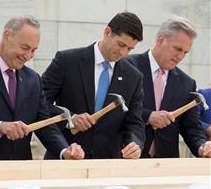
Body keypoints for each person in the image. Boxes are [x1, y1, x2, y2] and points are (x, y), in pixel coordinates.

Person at [0, 15, 84, 160]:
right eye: (25, 48)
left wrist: (64, 151)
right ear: (7, 36)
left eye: (33, 50)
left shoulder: (33, 79)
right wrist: (0, 127)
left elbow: (44, 124)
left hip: (21, 171)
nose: (28, 55)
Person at [42, 12, 145, 159]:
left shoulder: (134, 77)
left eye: (129, 49)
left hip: (108, 165)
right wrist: (70, 119)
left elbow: (134, 122)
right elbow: (40, 104)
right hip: (66, 158)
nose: (123, 52)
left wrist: (134, 144)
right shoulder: (66, 61)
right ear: (107, 32)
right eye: (121, 44)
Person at [125, 17, 211, 158]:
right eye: (177, 49)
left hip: (166, 165)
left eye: (185, 52)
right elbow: (113, 109)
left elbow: (191, 128)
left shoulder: (187, 83)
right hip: (127, 158)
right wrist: (148, 116)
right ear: (160, 39)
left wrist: (202, 146)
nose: (180, 56)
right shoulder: (127, 67)